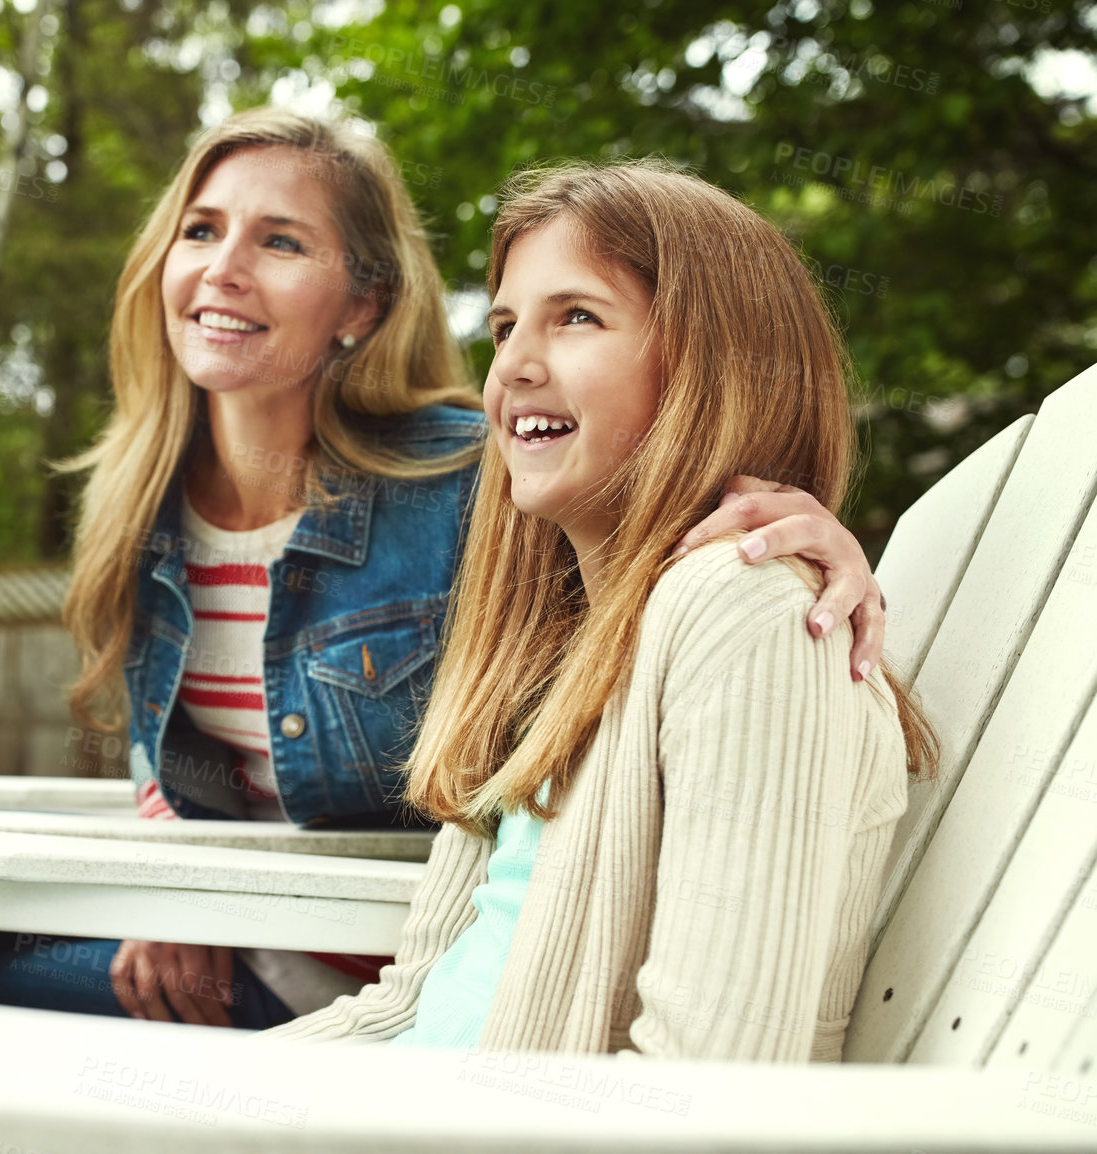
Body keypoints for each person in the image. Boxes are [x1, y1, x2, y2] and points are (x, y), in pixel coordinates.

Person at [0, 112, 893, 1033]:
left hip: (363, 949)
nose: (223, 268)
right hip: (271, 953)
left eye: (279, 242)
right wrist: (164, 886)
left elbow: (639, 513)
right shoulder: (144, 501)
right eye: (201, 231)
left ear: (363, 305)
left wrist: (791, 510)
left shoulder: (464, 478)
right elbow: (170, 757)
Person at [267, 159, 937, 1060]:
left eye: (576, 316)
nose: (513, 367)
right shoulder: (560, 639)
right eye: (504, 327)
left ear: (715, 365)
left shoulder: (748, 617)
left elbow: (708, 1082)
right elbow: (412, 1002)